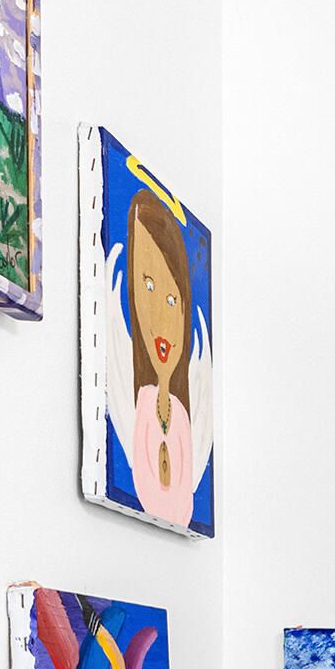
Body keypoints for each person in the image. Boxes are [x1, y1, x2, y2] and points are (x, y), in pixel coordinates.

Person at [124, 189, 204, 528]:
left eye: (172, 301)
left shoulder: (182, 418)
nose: (160, 314)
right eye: (148, 286)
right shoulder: (139, 406)